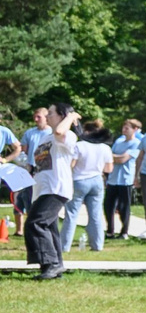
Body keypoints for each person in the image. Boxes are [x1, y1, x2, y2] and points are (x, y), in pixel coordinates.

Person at [23, 109, 74, 279]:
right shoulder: (46, 139)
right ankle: (55, 266)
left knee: (35, 223)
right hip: (42, 189)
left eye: (51, 113)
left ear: (62, 116)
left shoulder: (68, 136)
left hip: (56, 188)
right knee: (50, 228)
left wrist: (71, 117)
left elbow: (60, 131)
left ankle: (50, 264)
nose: (48, 116)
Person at [71, 125, 112, 251]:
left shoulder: (80, 145)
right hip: (97, 180)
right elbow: (108, 169)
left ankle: (64, 245)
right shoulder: (105, 147)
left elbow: (71, 165)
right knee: (96, 214)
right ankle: (98, 245)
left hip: (79, 179)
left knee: (72, 214)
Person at [106, 120, 139, 239]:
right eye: (123, 128)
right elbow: (109, 157)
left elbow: (122, 159)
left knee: (123, 207)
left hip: (126, 179)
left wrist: (113, 156)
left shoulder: (136, 143)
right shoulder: (119, 142)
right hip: (113, 178)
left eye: (127, 128)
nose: (124, 130)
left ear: (135, 129)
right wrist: (115, 156)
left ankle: (124, 231)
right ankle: (110, 231)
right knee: (108, 206)